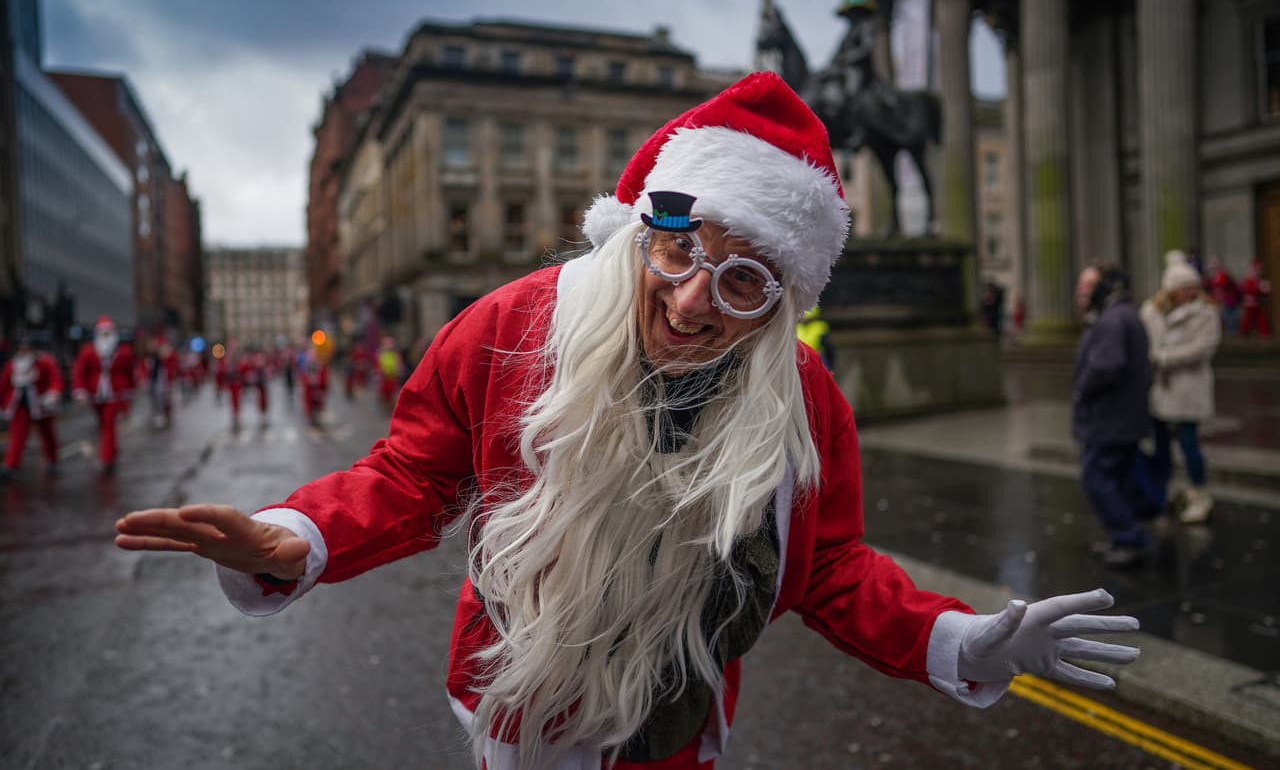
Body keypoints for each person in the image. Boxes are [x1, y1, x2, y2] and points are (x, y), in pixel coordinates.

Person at [114, 73, 1140, 770]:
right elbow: (412, 474)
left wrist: (957, 640)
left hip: (679, 721)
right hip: (515, 705)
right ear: (643, 231)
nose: (694, 300)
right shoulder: (514, 325)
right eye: (680, 250)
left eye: (742, 280)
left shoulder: (804, 398)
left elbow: (824, 567)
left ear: (781, 300)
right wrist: (290, 539)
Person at [1073, 263, 1153, 568]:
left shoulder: (1112, 318)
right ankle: (1123, 535)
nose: (1083, 292)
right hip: (1121, 418)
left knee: (1097, 477)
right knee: (1115, 479)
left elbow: (1105, 366)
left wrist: (1083, 390)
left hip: (1109, 420)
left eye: (1089, 285)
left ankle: (1128, 536)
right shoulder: (1122, 314)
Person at [1141, 256, 1221, 525]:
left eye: (1193, 285)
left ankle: (1199, 493)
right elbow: (1145, 343)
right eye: (1185, 286)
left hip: (1188, 389)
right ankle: (1162, 491)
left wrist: (1163, 358)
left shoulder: (1206, 312)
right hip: (1162, 389)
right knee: (1161, 445)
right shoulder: (1151, 312)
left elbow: (1203, 349)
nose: (1191, 290)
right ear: (1171, 289)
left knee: (1189, 444)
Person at [72, 316, 136, 474]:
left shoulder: (124, 352)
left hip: (114, 394)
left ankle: (106, 459)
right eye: (103, 332)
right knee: (104, 425)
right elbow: (79, 372)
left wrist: (129, 391)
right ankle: (112, 452)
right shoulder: (88, 351)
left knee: (108, 425)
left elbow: (129, 373)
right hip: (95, 395)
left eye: (109, 332)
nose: (106, 335)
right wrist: (80, 390)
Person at [1, 334, 63, 478]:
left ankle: (52, 461)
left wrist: (52, 394)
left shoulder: (45, 362)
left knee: (48, 435)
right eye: (22, 348)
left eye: (27, 348)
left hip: (41, 404)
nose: (24, 350)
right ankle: (11, 464)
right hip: (19, 406)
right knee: (17, 436)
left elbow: (55, 380)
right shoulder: (12, 365)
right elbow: (3, 385)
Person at [1203, 256, 1240, 336]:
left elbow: (1230, 287)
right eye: (1213, 263)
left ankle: (1232, 334)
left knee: (1228, 318)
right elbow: (1208, 287)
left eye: (1215, 263)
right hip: (1216, 300)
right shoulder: (1211, 276)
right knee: (1216, 318)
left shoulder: (1225, 275)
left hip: (1226, 301)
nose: (1213, 266)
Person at [1238, 259, 1272, 338]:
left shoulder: (1256, 280)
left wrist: (1263, 288)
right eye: (1257, 269)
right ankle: (1243, 333)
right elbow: (1251, 290)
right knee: (1248, 319)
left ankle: (1264, 333)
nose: (1259, 272)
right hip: (1250, 303)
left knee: (1260, 318)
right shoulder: (1249, 280)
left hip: (1256, 303)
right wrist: (1261, 288)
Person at [795, 304, 833, 369]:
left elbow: (827, 348)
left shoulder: (820, 327)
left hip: (817, 356)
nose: (804, 319)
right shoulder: (796, 328)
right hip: (800, 358)